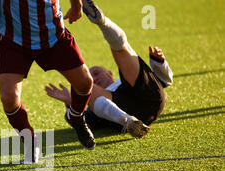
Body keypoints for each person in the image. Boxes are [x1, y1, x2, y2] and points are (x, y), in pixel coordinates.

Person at [45, 0, 173, 139]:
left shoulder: (122, 81)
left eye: (95, 73)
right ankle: (128, 121)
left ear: (109, 73)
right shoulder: (94, 107)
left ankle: (102, 21)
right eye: (92, 77)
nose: (94, 78)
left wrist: (159, 63)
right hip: (123, 114)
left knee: (122, 51)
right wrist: (71, 103)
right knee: (83, 84)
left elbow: (166, 81)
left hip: (150, 101)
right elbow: (82, 123)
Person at [0, 0, 96, 164]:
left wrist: (77, 5)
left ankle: (76, 117)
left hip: (52, 35)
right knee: (9, 98)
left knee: (84, 83)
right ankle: (30, 141)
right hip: (12, 39)